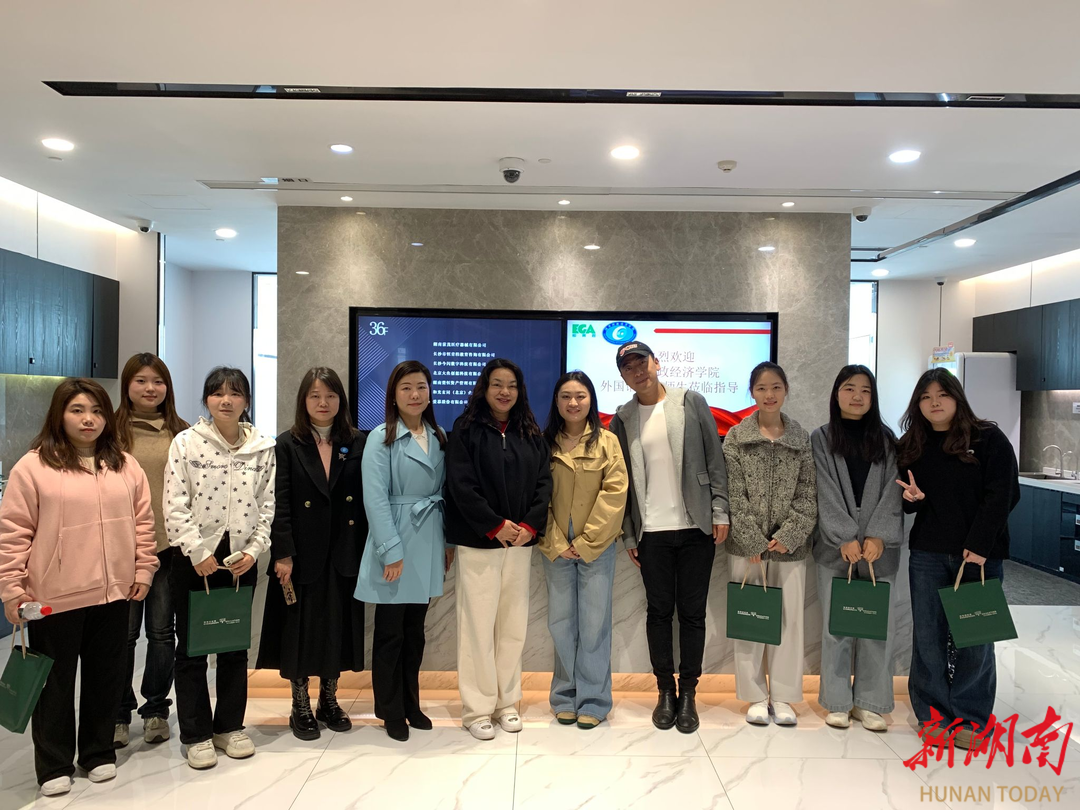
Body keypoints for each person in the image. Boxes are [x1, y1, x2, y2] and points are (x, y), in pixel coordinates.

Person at [0, 379, 157, 797]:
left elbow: (143, 524)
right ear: (60, 414)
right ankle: (54, 764)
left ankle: (97, 752)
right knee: (54, 683)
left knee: (106, 677)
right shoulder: (33, 467)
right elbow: (14, 531)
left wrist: (143, 569)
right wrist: (12, 588)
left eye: (97, 411)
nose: (89, 419)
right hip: (54, 597)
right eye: (78, 410)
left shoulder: (125, 465)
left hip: (114, 593)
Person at [608, 341, 730, 734]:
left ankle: (689, 692)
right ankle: (665, 690)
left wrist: (720, 510)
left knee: (693, 614)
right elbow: (623, 485)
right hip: (652, 533)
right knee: (659, 613)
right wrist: (630, 535)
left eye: (641, 362)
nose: (637, 371)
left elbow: (715, 459)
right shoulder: (622, 419)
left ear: (656, 363)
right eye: (628, 368)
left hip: (696, 528)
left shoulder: (690, 402)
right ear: (623, 376)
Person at [896, 368, 1019, 749]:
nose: (934, 402)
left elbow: (1004, 494)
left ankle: (971, 718)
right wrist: (912, 499)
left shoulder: (987, 438)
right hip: (928, 554)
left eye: (942, 394)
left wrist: (980, 544)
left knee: (975, 638)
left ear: (957, 397)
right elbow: (908, 498)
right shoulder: (912, 444)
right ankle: (932, 714)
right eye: (926, 396)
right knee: (928, 637)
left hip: (979, 557)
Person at [164, 367, 276, 770]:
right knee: (192, 648)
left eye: (235, 393)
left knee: (233, 644)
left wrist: (255, 550)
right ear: (206, 400)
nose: (226, 400)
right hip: (195, 557)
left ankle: (229, 726)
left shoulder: (262, 447)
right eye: (217, 393)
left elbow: (268, 504)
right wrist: (197, 552)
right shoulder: (186, 442)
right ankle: (195, 733)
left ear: (247, 400)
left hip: (241, 558)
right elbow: (174, 502)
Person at [257, 367, 366, 740]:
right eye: (315, 396)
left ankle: (329, 701)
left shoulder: (357, 441)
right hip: (301, 555)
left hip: (343, 551)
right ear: (303, 400)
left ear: (341, 400)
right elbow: (279, 502)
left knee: (337, 628)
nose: (323, 403)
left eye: (331, 395)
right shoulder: (287, 443)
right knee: (300, 631)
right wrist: (283, 553)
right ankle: (300, 704)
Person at [446, 358, 552, 740]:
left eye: (512, 385)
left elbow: (544, 484)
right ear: (484, 388)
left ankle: (507, 703)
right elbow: (460, 485)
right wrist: (494, 525)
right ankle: (477, 709)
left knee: (512, 625)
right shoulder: (465, 429)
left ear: (520, 391)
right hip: (481, 542)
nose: (504, 391)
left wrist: (529, 526)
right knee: (477, 626)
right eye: (497, 384)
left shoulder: (530, 432)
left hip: (520, 543)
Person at [356, 360, 452, 742]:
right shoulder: (381, 437)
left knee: (415, 632)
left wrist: (446, 544)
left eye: (421, 387)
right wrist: (390, 550)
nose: (415, 394)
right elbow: (375, 498)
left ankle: (412, 704)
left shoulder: (438, 435)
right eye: (406, 387)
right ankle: (390, 709)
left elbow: (442, 493)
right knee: (390, 632)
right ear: (393, 395)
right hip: (396, 540)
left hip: (429, 539)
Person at [723, 361, 817, 727]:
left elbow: (808, 494)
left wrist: (789, 535)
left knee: (789, 622)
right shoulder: (736, 437)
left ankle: (783, 696)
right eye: (762, 388)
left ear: (786, 390)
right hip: (747, 550)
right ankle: (755, 697)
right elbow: (733, 494)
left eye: (776, 387)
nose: (769, 394)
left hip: (790, 550)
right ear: (752, 392)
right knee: (749, 619)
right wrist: (752, 541)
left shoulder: (800, 438)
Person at [811, 365, 903, 732]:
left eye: (865, 390)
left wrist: (878, 535)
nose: (857, 396)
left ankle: (871, 703)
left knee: (876, 625)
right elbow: (823, 489)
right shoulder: (821, 438)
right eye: (849, 388)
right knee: (837, 626)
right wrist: (844, 536)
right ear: (837, 394)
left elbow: (894, 488)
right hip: (836, 546)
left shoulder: (887, 439)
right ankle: (837, 702)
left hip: (880, 548)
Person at [540, 371, 628, 729]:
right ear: (556, 402)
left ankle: (593, 700)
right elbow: (536, 495)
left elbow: (615, 493)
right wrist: (557, 542)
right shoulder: (544, 443)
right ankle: (564, 696)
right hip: (555, 547)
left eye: (580, 396)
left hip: (597, 547)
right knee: (561, 623)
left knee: (594, 624)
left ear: (591, 399)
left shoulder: (607, 442)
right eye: (565, 396)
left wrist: (587, 541)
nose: (573, 403)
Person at [113, 353, 190, 749]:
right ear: (127, 385)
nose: (149, 388)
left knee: (162, 633)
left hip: (168, 548)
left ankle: (156, 709)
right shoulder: (109, 432)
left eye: (157, 381)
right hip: (120, 551)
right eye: (141, 380)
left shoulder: (182, 432)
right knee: (122, 636)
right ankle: (117, 713)